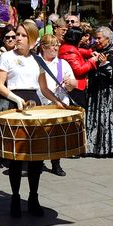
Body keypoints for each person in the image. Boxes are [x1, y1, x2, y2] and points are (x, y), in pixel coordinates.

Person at [0, 30, 66, 217]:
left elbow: (43, 87)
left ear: (32, 39)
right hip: (15, 105)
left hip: (35, 105)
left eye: (23, 35)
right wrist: (15, 99)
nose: (18, 38)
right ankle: (15, 198)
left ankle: (33, 197)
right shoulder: (7, 57)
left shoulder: (38, 59)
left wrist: (58, 102)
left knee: (36, 157)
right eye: (17, 34)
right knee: (16, 157)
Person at [36, 35, 76, 176]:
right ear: (43, 47)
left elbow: (73, 85)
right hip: (40, 103)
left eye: (57, 45)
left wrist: (70, 83)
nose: (56, 48)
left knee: (56, 135)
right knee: (40, 135)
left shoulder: (63, 63)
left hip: (58, 104)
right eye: (52, 45)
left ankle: (56, 163)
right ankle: (38, 161)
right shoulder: (36, 62)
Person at [85, 27, 113, 157]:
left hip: (108, 93)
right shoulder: (94, 51)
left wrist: (104, 63)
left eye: (99, 38)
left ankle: (108, 148)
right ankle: (93, 147)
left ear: (108, 39)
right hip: (94, 91)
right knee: (94, 119)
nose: (96, 40)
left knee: (106, 120)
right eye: (95, 38)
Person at [59, 26, 98, 109]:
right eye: (80, 38)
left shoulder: (67, 47)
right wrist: (92, 61)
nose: (81, 40)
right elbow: (79, 70)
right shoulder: (69, 51)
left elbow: (77, 50)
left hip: (75, 86)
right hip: (75, 88)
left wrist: (89, 53)